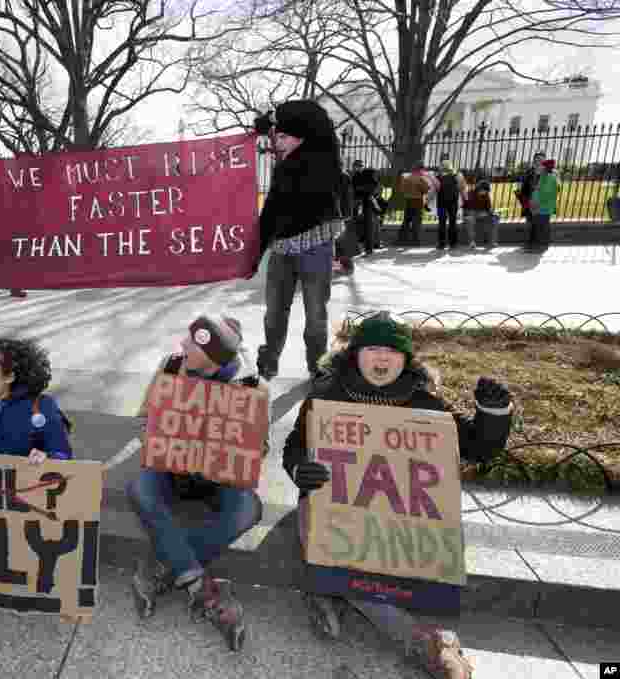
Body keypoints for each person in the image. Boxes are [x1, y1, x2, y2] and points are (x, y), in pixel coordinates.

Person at [285, 311, 514, 679]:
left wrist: (494, 413)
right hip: (331, 503)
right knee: (334, 554)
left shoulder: (423, 401)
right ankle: (424, 643)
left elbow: (478, 448)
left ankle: (327, 592)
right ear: (355, 354)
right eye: (372, 349)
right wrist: (301, 470)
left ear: (405, 359)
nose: (381, 358)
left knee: (415, 554)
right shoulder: (325, 396)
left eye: (392, 351)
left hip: (397, 511)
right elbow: (295, 445)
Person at [127, 315, 263, 651]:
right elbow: (144, 418)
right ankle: (200, 586)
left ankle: (161, 568)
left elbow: (260, 447)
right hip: (170, 467)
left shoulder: (253, 387)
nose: (183, 344)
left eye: (193, 342)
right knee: (140, 490)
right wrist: (154, 435)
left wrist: (228, 451)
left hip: (218, 476)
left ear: (212, 356)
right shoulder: (171, 366)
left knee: (248, 509)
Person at [253, 100, 348, 381]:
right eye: (278, 137)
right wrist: (255, 251)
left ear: (303, 136)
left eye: (284, 137)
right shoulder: (282, 167)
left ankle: (317, 365)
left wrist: (276, 117)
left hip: (315, 248)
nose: (278, 142)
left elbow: (317, 117)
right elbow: (271, 211)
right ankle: (269, 361)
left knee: (315, 314)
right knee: (274, 312)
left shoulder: (325, 158)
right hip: (282, 251)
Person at [351, 162, 384, 255]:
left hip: (359, 204)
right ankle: (368, 248)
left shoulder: (357, 177)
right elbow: (374, 191)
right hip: (367, 204)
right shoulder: (370, 181)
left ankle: (362, 247)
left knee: (360, 227)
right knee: (368, 227)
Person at [527, 158, 558, 253]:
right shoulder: (547, 177)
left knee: (542, 227)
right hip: (543, 207)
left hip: (543, 207)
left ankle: (541, 247)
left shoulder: (549, 178)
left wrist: (535, 204)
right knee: (542, 226)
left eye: (542, 167)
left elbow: (544, 193)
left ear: (546, 168)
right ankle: (541, 246)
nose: (540, 168)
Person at [436, 156, 467, 250]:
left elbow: (433, 191)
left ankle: (441, 244)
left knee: (441, 222)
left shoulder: (437, 177)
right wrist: (465, 200)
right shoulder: (458, 176)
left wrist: (426, 202)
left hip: (441, 204)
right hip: (453, 203)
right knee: (453, 222)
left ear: (441, 167)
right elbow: (462, 189)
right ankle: (453, 243)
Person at [516, 151, 546, 249]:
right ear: (534, 160)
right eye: (537, 159)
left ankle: (539, 243)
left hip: (543, 201)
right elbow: (522, 184)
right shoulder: (529, 172)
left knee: (541, 223)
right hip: (529, 200)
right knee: (530, 222)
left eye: (541, 160)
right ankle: (529, 243)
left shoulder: (548, 172)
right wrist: (520, 189)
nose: (539, 162)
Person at [397, 165, 430, 246]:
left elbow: (402, 189)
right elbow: (426, 189)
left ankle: (402, 239)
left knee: (406, 220)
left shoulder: (407, 178)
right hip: (417, 200)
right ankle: (415, 240)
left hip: (408, 200)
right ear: (419, 170)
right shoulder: (420, 178)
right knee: (417, 221)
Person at [463, 179, 497, 248]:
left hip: (482, 213)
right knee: (470, 220)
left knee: (494, 219)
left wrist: (492, 213)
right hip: (470, 213)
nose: (486, 193)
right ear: (480, 189)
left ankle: (492, 241)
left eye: (486, 191)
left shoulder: (486, 195)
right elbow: (466, 208)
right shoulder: (470, 193)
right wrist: (476, 213)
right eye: (485, 191)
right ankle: (472, 242)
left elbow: (488, 207)